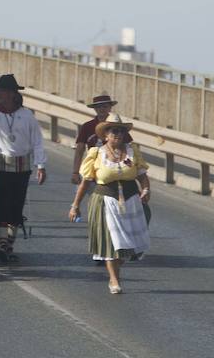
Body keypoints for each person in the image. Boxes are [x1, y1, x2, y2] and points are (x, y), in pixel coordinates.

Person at [69, 114, 151, 294]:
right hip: (106, 202)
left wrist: (145, 190)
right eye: (114, 131)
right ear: (105, 135)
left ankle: (117, 267)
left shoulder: (131, 151)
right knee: (111, 243)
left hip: (131, 202)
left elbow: (142, 176)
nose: (118, 134)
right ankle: (114, 280)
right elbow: (86, 182)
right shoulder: (96, 154)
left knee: (128, 246)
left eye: (121, 131)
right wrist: (76, 205)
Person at [0, 74, 47, 263]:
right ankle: (5, 245)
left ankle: (8, 245)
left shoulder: (26, 115)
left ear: (12, 94)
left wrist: (41, 165)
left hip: (22, 168)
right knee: (0, 206)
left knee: (15, 207)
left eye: (3, 91)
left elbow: (37, 141)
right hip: (0, 167)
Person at [72, 93, 133, 184]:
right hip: (92, 170)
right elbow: (80, 149)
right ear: (95, 109)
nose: (101, 109)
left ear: (110, 108)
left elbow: (128, 149)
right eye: (98, 107)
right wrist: (75, 172)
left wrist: (130, 169)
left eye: (105, 106)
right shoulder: (87, 126)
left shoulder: (118, 127)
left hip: (113, 170)